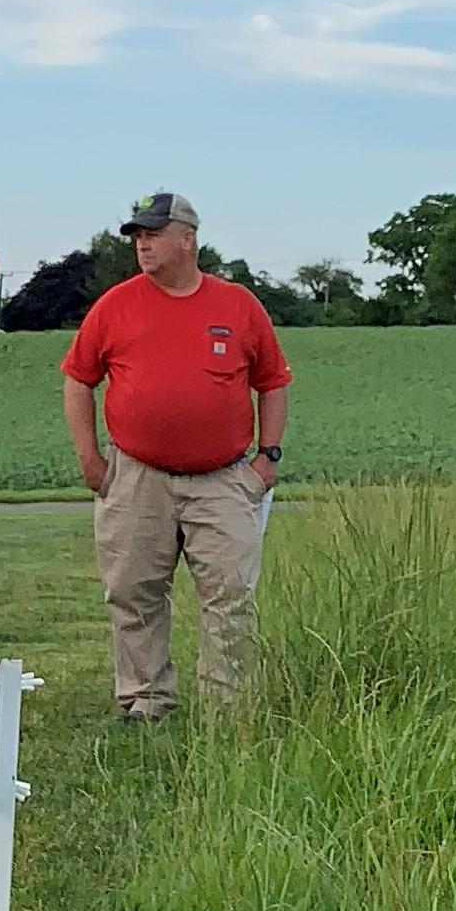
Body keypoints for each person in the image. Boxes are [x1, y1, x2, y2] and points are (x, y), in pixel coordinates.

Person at [60, 193, 293, 719]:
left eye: (152, 234)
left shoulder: (237, 306)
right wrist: (90, 460)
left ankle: (227, 706)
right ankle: (145, 700)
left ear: (187, 238)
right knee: (132, 592)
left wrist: (267, 459)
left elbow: (273, 383)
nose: (142, 245)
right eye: (137, 236)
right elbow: (78, 378)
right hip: (137, 476)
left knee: (229, 594)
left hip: (225, 479)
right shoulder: (116, 305)